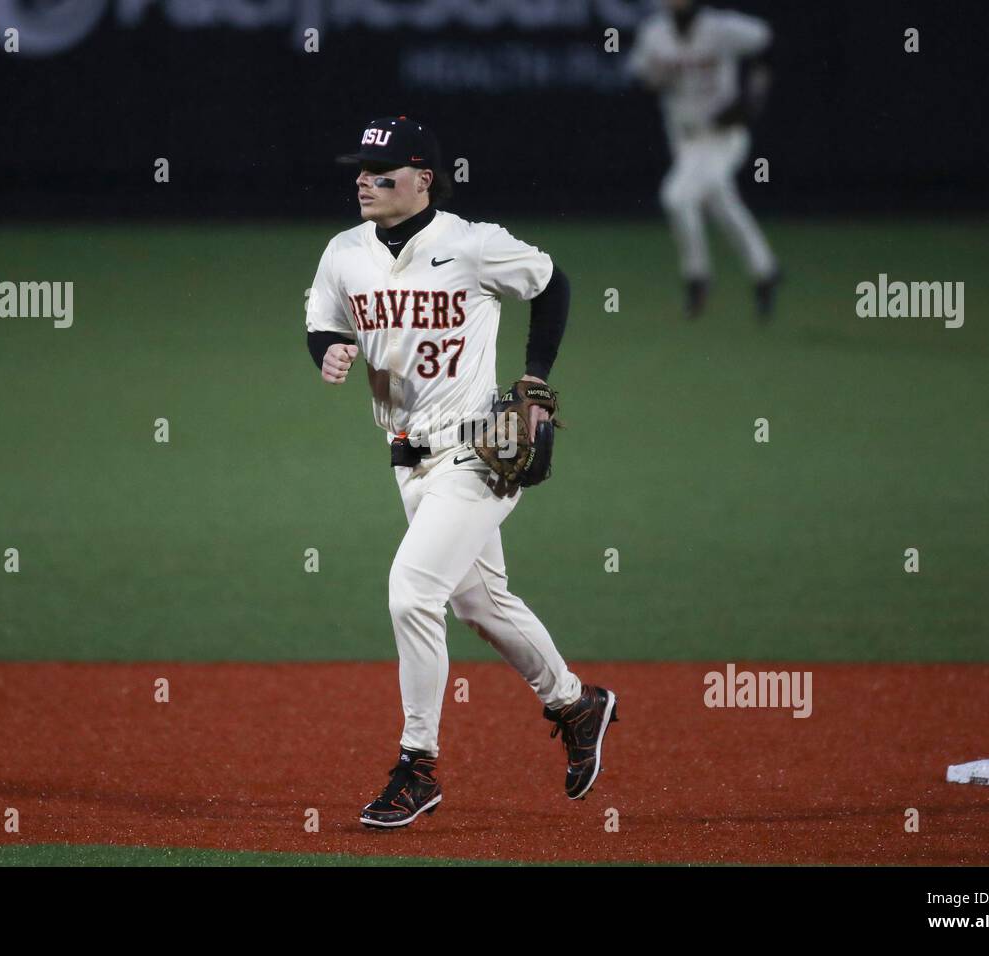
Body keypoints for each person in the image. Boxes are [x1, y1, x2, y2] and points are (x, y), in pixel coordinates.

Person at [304, 115, 619, 828]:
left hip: (476, 452)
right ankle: (576, 702)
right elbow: (323, 317)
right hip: (406, 460)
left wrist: (534, 382)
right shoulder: (344, 252)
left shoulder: (472, 246)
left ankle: (418, 766)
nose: (364, 180)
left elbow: (552, 283)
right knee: (479, 604)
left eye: (380, 172)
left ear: (422, 178)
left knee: (413, 593)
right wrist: (324, 350)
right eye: (359, 168)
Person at [628, 0, 781, 319]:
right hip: (684, 138)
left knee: (676, 197)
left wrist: (753, 99)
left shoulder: (720, 27)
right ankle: (765, 271)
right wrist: (659, 78)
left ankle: (697, 277)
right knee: (723, 205)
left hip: (722, 137)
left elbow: (765, 41)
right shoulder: (654, 34)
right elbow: (642, 77)